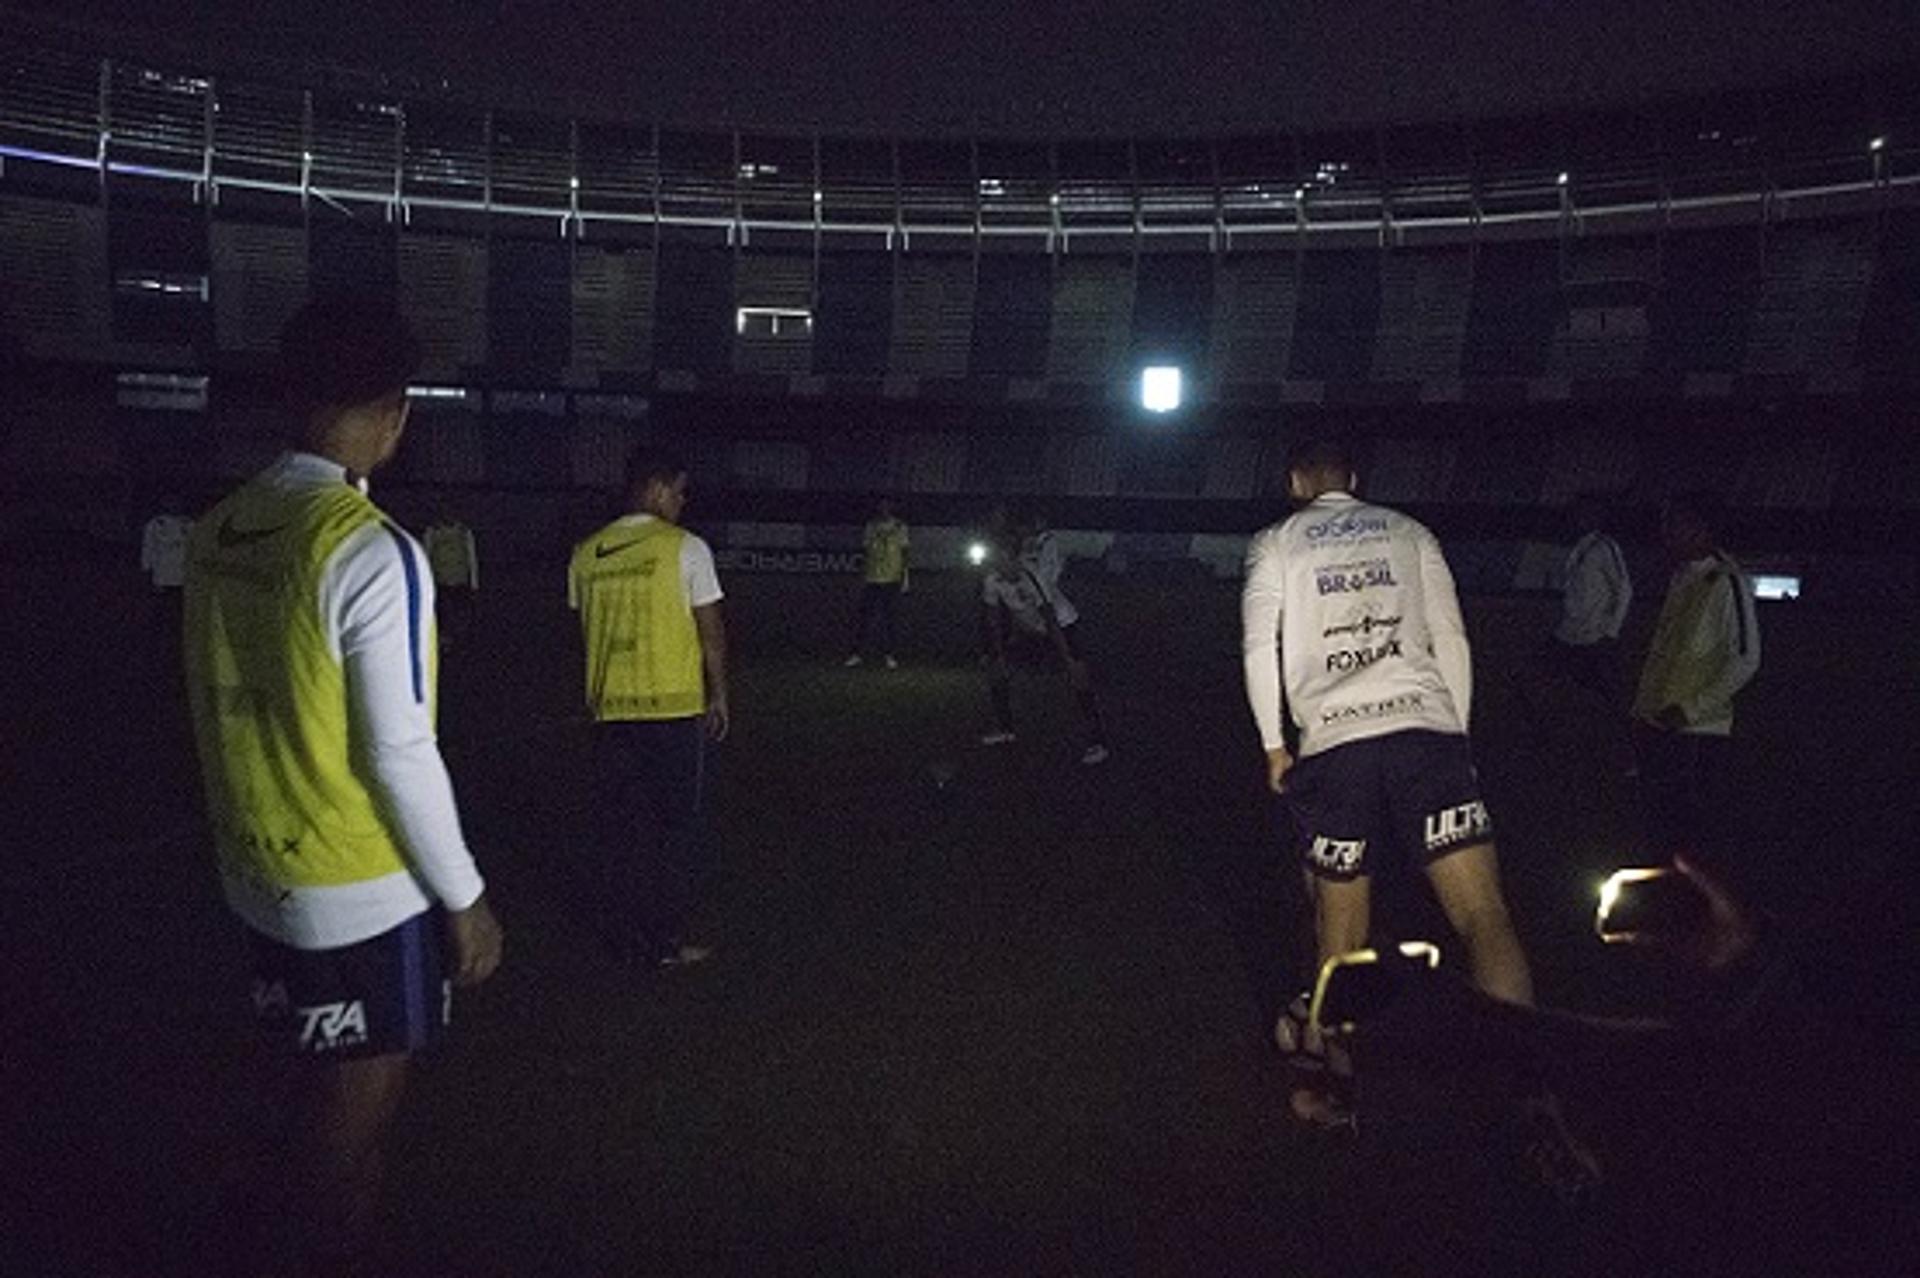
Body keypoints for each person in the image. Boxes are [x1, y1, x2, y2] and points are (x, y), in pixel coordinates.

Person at [181, 294, 503, 1271]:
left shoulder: (222, 526)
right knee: (353, 1120)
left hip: (253, 868)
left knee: (291, 1087)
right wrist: (467, 898)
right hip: (357, 887)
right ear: (392, 412)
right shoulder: (370, 548)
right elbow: (399, 751)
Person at [1241, 438, 1539, 1125]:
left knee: (1339, 936)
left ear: (1296, 482)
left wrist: (1272, 744)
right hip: (1426, 735)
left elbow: (1262, 646)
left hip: (1337, 748)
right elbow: (1452, 637)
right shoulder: (1410, 532)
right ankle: (1529, 1084)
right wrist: (1455, 738)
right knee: (1484, 916)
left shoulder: (1276, 542)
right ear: (1356, 477)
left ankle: (1333, 1086)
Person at [568, 448, 730, 969]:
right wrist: (719, 692)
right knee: (673, 831)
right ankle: (664, 940)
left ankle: (621, 938)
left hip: (610, 712)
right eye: (680, 491)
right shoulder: (685, 548)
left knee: (620, 833)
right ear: (657, 488)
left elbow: (586, 627)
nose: (683, 502)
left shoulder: (587, 552)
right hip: (673, 710)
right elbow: (711, 632)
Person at [1631, 492, 1761, 862]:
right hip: (1662, 725)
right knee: (1661, 827)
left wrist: (1690, 709)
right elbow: (1665, 653)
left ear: (1702, 529)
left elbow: (1746, 659)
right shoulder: (1682, 578)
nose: (1666, 533)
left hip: (1698, 733)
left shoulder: (1727, 582)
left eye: (1675, 524)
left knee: (1691, 834)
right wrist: (1643, 712)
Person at [980, 529, 1111, 765]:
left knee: (1078, 678)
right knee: (996, 671)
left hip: (1063, 626)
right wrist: (998, 653)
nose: (996, 562)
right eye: (994, 558)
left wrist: (1067, 658)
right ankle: (1006, 729)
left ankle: (1098, 742)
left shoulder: (1032, 577)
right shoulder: (992, 580)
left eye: (1001, 557)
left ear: (1013, 558)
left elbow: (1050, 618)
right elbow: (993, 619)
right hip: (1033, 631)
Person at [1548, 493, 1631, 707]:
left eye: (1585, 513)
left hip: (1592, 632)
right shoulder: (1581, 547)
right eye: (1576, 513)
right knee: (1571, 677)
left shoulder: (1605, 547)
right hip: (1570, 629)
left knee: (1599, 683)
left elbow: (1624, 590)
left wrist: (1611, 631)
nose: (1577, 518)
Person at [844, 496, 909, 668]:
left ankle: (890, 655)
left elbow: (905, 552)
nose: (884, 509)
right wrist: (861, 574)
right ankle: (857, 654)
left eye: (888, 505)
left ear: (892, 507)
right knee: (865, 618)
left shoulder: (900, 526)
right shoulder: (871, 526)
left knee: (890, 619)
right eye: (882, 506)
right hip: (872, 577)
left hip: (892, 578)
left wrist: (905, 576)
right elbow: (865, 551)